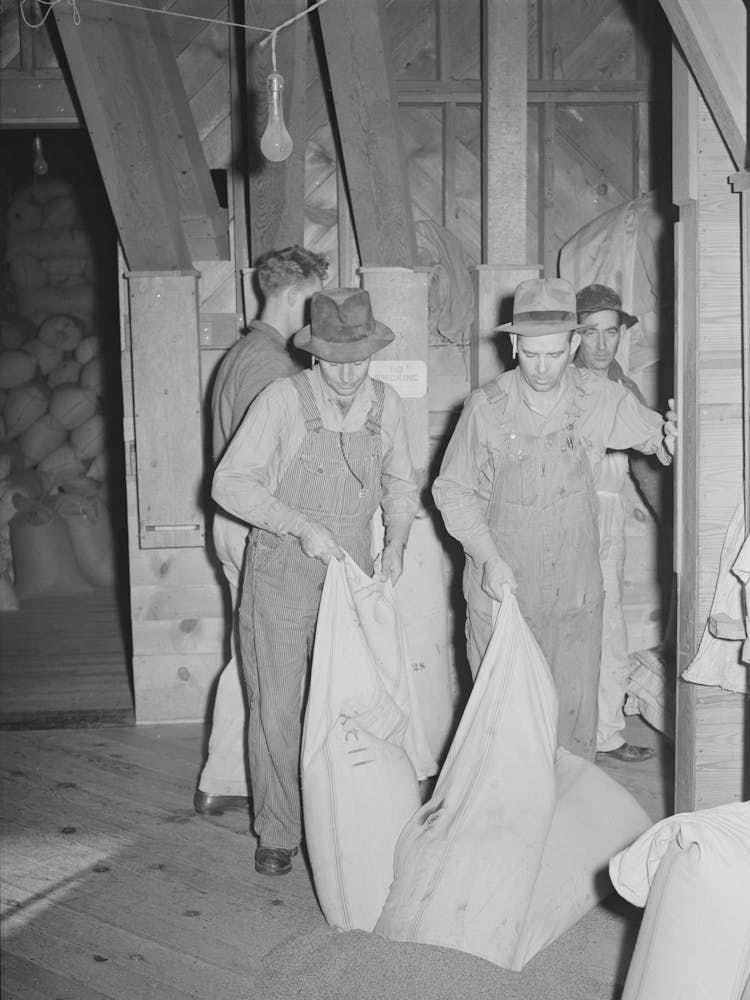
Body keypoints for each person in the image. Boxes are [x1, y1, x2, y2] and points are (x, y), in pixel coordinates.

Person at [212, 287, 419, 875]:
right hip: (279, 568)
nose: (348, 375)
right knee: (277, 704)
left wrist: (397, 541)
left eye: (358, 360)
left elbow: (401, 485)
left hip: (348, 575)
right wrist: (300, 526)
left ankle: (342, 818)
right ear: (312, 354)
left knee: (344, 703)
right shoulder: (282, 399)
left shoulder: (388, 405)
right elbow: (229, 484)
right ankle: (278, 830)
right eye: (334, 361)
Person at [432, 277, 677, 760]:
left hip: (575, 595)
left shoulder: (600, 397)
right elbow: (452, 491)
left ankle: (568, 823)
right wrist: (488, 558)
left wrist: (672, 437)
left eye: (555, 354)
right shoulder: (487, 407)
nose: (542, 369)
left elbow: (657, 440)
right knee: (502, 725)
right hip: (503, 589)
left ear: (574, 343)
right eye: (531, 354)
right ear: (514, 345)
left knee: (572, 723)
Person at [194, 245, 329, 816]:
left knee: (247, 655)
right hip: (257, 529)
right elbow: (268, 466)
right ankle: (247, 779)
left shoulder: (245, 352)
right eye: (316, 297)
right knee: (269, 662)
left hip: (236, 525)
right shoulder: (270, 365)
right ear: (297, 295)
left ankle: (222, 777)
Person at [574, 283, 666, 762]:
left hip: (607, 520)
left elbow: (651, 463)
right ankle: (557, 740)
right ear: (574, 335)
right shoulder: (554, 381)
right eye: (590, 332)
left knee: (610, 630)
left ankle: (607, 733)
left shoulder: (624, 389)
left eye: (611, 333)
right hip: (562, 517)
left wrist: (671, 527)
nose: (602, 344)